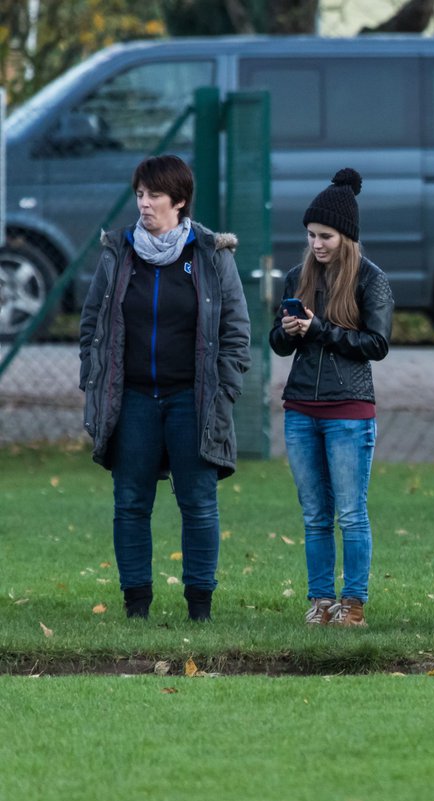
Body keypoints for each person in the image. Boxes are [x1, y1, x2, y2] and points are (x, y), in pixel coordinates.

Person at [79, 154, 250, 621]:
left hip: (193, 401)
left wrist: (224, 389)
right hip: (131, 398)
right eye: (139, 194)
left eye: (154, 195)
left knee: (198, 503)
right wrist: (91, 379)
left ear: (179, 201)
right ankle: (136, 607)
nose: (144, 204)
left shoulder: (211, 256)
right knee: (130, 502)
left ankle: (200, 607)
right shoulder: (118, 253)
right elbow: (92, 322)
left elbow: (236, 332)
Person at [269, 168, 393, 628]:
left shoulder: (371, 279)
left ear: (347, 236)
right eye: (311, 235)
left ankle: (353, 604)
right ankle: (321, 602)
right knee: (315, 513)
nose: (317, 244)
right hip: (301, 408)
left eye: (325, 236)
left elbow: (377, 345)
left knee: (350, 511)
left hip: (349, 410)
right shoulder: (297, 276)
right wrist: (286, 331)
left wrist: (318, 328)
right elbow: (279, 345)